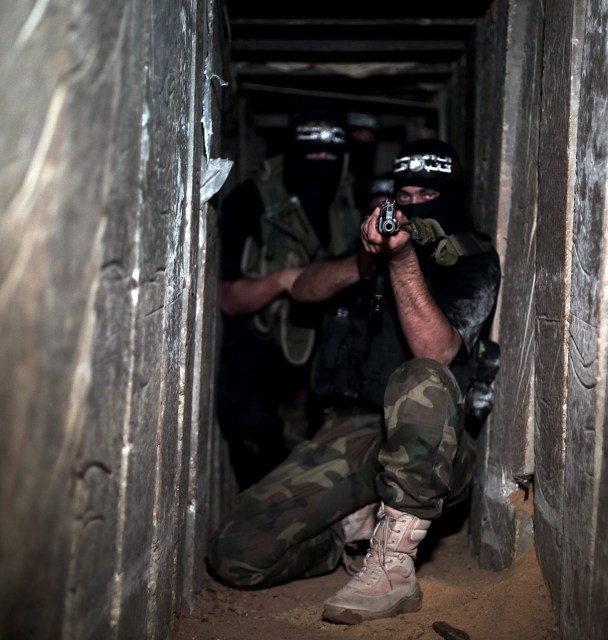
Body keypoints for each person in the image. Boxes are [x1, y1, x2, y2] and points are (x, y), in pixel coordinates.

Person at [207, 137, 502, 625]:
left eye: (426, 196)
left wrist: (403, 262)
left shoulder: (470, 260)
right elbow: (303, 288)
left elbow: (436, 351)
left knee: (421, 377)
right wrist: (367, 261)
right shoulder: (365, 255)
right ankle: (352, 535)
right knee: (235, 555)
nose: (412, 205)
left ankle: (393, 568)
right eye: (402, 196)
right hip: (350, 434)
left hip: (430, 445)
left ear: (449, 197)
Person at [215, 104, 363, 490]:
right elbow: (228, 298)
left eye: (332, 153)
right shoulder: (250, 202)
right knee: (253, 432)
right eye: (312, 153)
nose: (322, 163)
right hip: (258, 344)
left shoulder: (349, 201)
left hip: (323, 348)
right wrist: (284, 281)